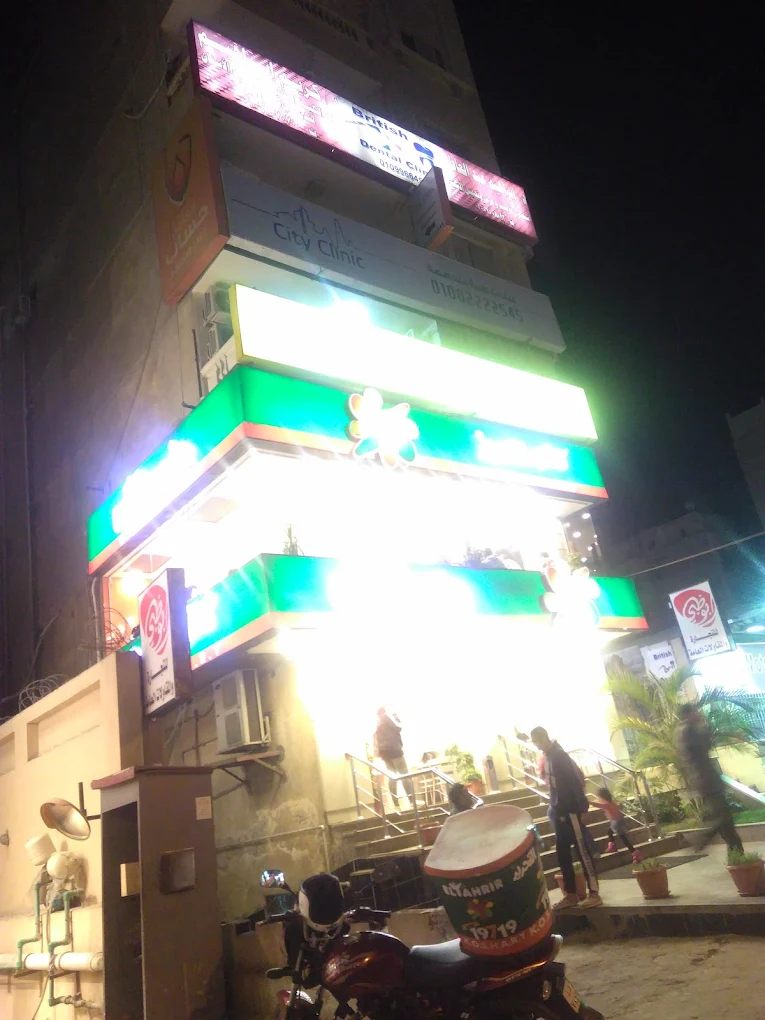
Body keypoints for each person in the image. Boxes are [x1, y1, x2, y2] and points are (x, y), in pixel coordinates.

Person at [530, 726, 602, 909]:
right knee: (562, 853)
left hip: (571, 812)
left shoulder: (559, 756)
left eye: (537, 741)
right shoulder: (548, 757)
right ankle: (571, 894)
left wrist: (581, 808)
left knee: (582, 851)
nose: (536, 745)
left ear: (543, 738)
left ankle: (594, 893)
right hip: (559, 812)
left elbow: (574, 782)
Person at [677, 702, 743, 853]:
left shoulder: (688, 730)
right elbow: (703, 748)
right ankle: (698, 839)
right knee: (723, 818)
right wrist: (703, 726)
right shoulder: (686, 731)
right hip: (706, 781)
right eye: (694, 712)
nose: (697, 713)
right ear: (687, 715)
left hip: (706, 780)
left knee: (725, 821)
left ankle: (737, 854)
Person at [373, 706, 415, 812]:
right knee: (404, 775)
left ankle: (395, 802)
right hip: (394, 749)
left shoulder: (379, 721)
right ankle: (411, 800)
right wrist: (396, 717)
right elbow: (398, 727)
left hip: (385, 752)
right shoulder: (388, 717)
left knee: (392, 776)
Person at [591, 787, 641, 862]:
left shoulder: (606, 804)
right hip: (618, 820)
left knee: (623, 838)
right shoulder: (611, 802)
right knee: (609, 831)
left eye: (599, 797)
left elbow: (597, 805)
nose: (599, 799)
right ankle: (612, 845)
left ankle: (634, 852)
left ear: (602, 797)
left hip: (616, 822)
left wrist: (588, 802)